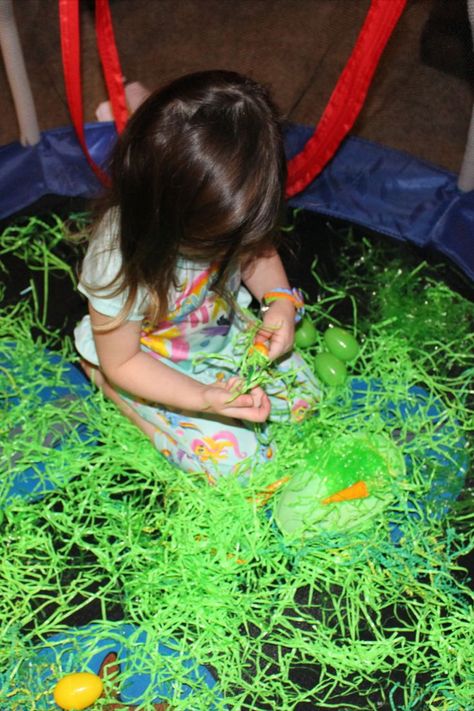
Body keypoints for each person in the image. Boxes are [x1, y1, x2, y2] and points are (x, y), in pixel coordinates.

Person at [74, 70, 320, 482]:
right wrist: (203, 399)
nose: (234, 250)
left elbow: (259, 254)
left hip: (221, 334)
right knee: (236, 466)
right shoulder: (119, 254)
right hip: (148, 360)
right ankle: (106, 385)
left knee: (307, 402)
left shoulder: (228, 211)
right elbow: (126, 360)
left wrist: (279, 303)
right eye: (220, 243)